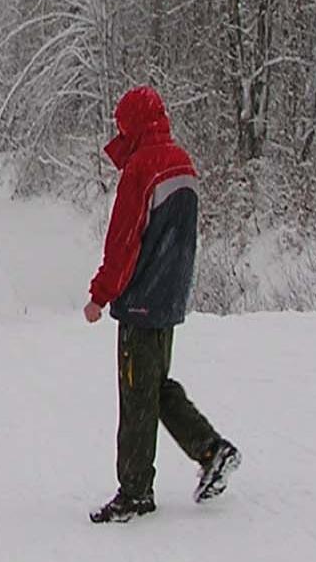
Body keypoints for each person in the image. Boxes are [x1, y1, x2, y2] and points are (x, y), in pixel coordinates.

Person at [84, 85, 240, 524]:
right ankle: (211, 451)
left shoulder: (141, 168)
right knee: (153, 385)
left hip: (140, 301)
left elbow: (125, 239)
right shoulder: (181, 161)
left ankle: (134, 493)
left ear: (132, 124)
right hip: (170, 297)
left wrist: (102, 294)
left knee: (136, 394)